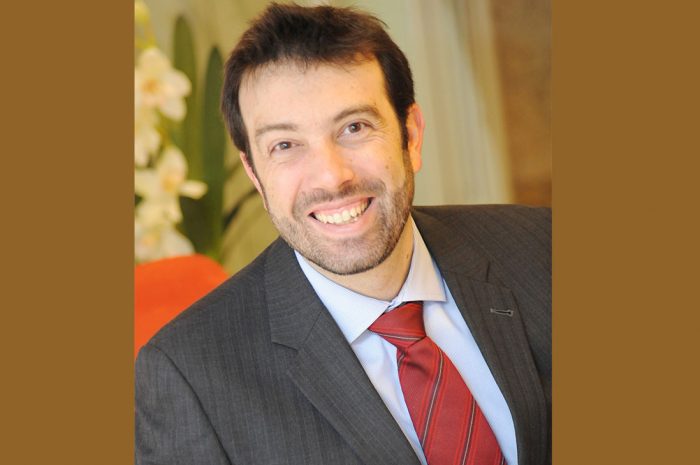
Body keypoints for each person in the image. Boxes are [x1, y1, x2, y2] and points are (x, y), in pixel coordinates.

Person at [135, 3, 551, 465]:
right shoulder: (188, 378)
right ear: (254, 173)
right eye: (285, 145)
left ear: (411, 136)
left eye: (354, 127)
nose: (332, 177)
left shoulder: (542, 248)